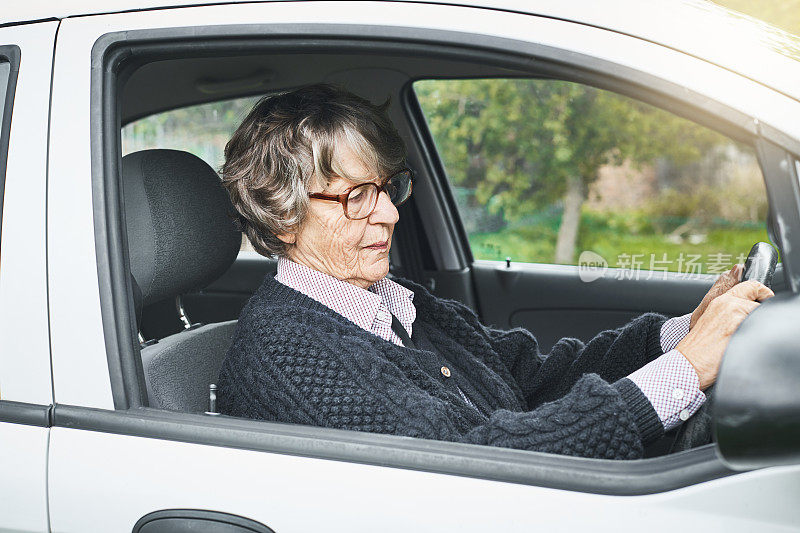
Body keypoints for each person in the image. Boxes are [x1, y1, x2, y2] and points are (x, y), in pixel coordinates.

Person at [217, 83, 773, 459]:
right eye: (357, 196)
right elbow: (474, 465)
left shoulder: (396, 300)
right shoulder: (285, 355)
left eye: (387, 189)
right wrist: (685, 370)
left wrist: (685, 332)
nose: (388, 214)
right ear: (282, 215)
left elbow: (535, 377)